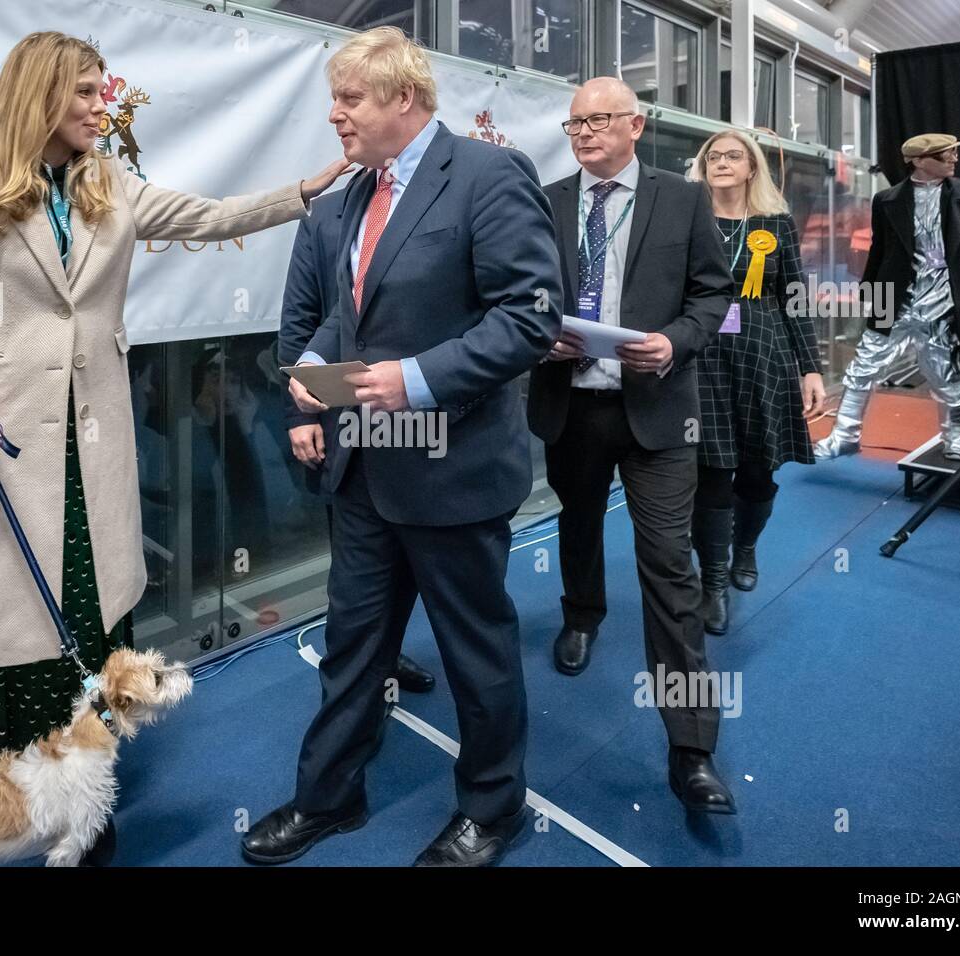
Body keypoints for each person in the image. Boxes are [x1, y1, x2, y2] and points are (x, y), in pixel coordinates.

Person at [0, 31, 349, 863]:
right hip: (2, 440)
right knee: (7, 617)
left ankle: (79, 795)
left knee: (86, 604)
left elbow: (209, 217)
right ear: (40, 96)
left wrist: (300, 193)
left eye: (102, 92)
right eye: (85, 93)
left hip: (93, 441)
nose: (101, 107)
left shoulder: (110, 181)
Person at [242, 27, 562, 867]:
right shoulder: (353, 196)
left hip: (453, 469)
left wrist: (416, 379)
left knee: (475, 655)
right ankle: (328, 797)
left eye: (350, 98)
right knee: (352, 646)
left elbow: (530, 316)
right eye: (335, 99)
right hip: (363, 471)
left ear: (405, 98)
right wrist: (313, 375)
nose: (335, 115)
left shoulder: (489, 175)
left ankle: (493, 809)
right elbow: (339, 317)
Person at [526, 77, 737, 813]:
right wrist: (539, 336)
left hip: (657, 411)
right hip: (572, 403)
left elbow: (713, 294)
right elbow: (518, 295)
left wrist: (674, 342)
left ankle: (692, 748)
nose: (584, 133)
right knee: (578, 521)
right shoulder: (546, 202)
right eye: (575, 123)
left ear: (636, 125)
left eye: (599, 120)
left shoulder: (683, 200)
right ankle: (581, 615)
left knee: (669, 564)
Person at [278, 189, 437, 697]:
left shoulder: (434, 201)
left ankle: (387, 653)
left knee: (414, 563)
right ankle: (363, 673)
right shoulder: (326, 215)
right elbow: (300, 317)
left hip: (427, 422)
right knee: (355, 577)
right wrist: (299, 414)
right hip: (345, 425)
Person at [685, 129, 825, 634]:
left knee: (758, 472)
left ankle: (745, 548)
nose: (722, 162)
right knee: (711, 471)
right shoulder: (686, 217)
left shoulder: (776, 223)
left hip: (765, 354)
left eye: (733, 155)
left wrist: (811, 367)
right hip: (702, 357)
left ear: (751, 168)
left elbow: (794, 298)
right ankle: (713, 581)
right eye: (713, 155)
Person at [814, 133, 960, 460]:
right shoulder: (887, 199)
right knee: (863, 366)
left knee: (947, 372)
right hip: (896, 298)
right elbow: (880, 249)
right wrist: (870, 290)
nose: (954, 158)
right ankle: (844, 435)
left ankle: (957, 436)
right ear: (918, 160)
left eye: (954, 152)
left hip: (947, 298)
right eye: (945, 154)